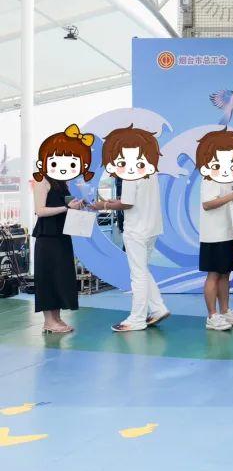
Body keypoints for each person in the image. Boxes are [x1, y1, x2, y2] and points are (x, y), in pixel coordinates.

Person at [91, 125, 170, 333]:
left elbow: (127, 203)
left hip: (137, 230)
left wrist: (103, 205)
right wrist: (113, 202)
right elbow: (132, 199)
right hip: (152, 228)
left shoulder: (128, 172)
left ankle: (137, 318)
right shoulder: (150, 171)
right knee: (142, 270)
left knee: (138, 274)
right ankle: (158, 308)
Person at [31, 125, 95, 334]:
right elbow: (40, 210)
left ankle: (56, 319)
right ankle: (48, 321)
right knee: (48, 278)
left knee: (60, 277)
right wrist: (67, 208)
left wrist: (79, 205)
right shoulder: (42, 182)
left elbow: (67, 204)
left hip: (61, 236)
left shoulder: (62, 183)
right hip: (47, 237)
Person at [195, 128, 233, 331]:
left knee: (226, 274)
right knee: (213, 274)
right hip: (213, 235)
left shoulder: (232, 178)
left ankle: (225, 311)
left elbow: (232, 202)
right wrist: (232, 196)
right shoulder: (209, 178)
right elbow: (207, 204)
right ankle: (212, 315)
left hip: (229, 233)